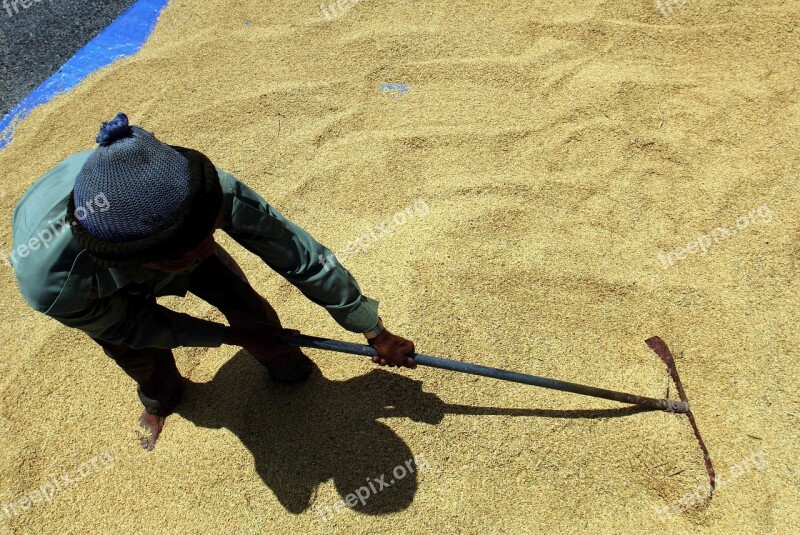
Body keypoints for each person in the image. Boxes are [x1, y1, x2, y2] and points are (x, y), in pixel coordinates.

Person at [10, 112, 416, 449]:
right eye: (185, 254)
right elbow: (131, 325)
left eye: (210, 236)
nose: (206, 250)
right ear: (143, 260)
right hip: (96, 277)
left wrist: (370, 328)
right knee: (134, 350)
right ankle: (162, 395)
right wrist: (227, 338)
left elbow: (296, 252)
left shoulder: (203, 190)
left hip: (156, 225)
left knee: (246, 306)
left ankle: (287, 366)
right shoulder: (52, 280)